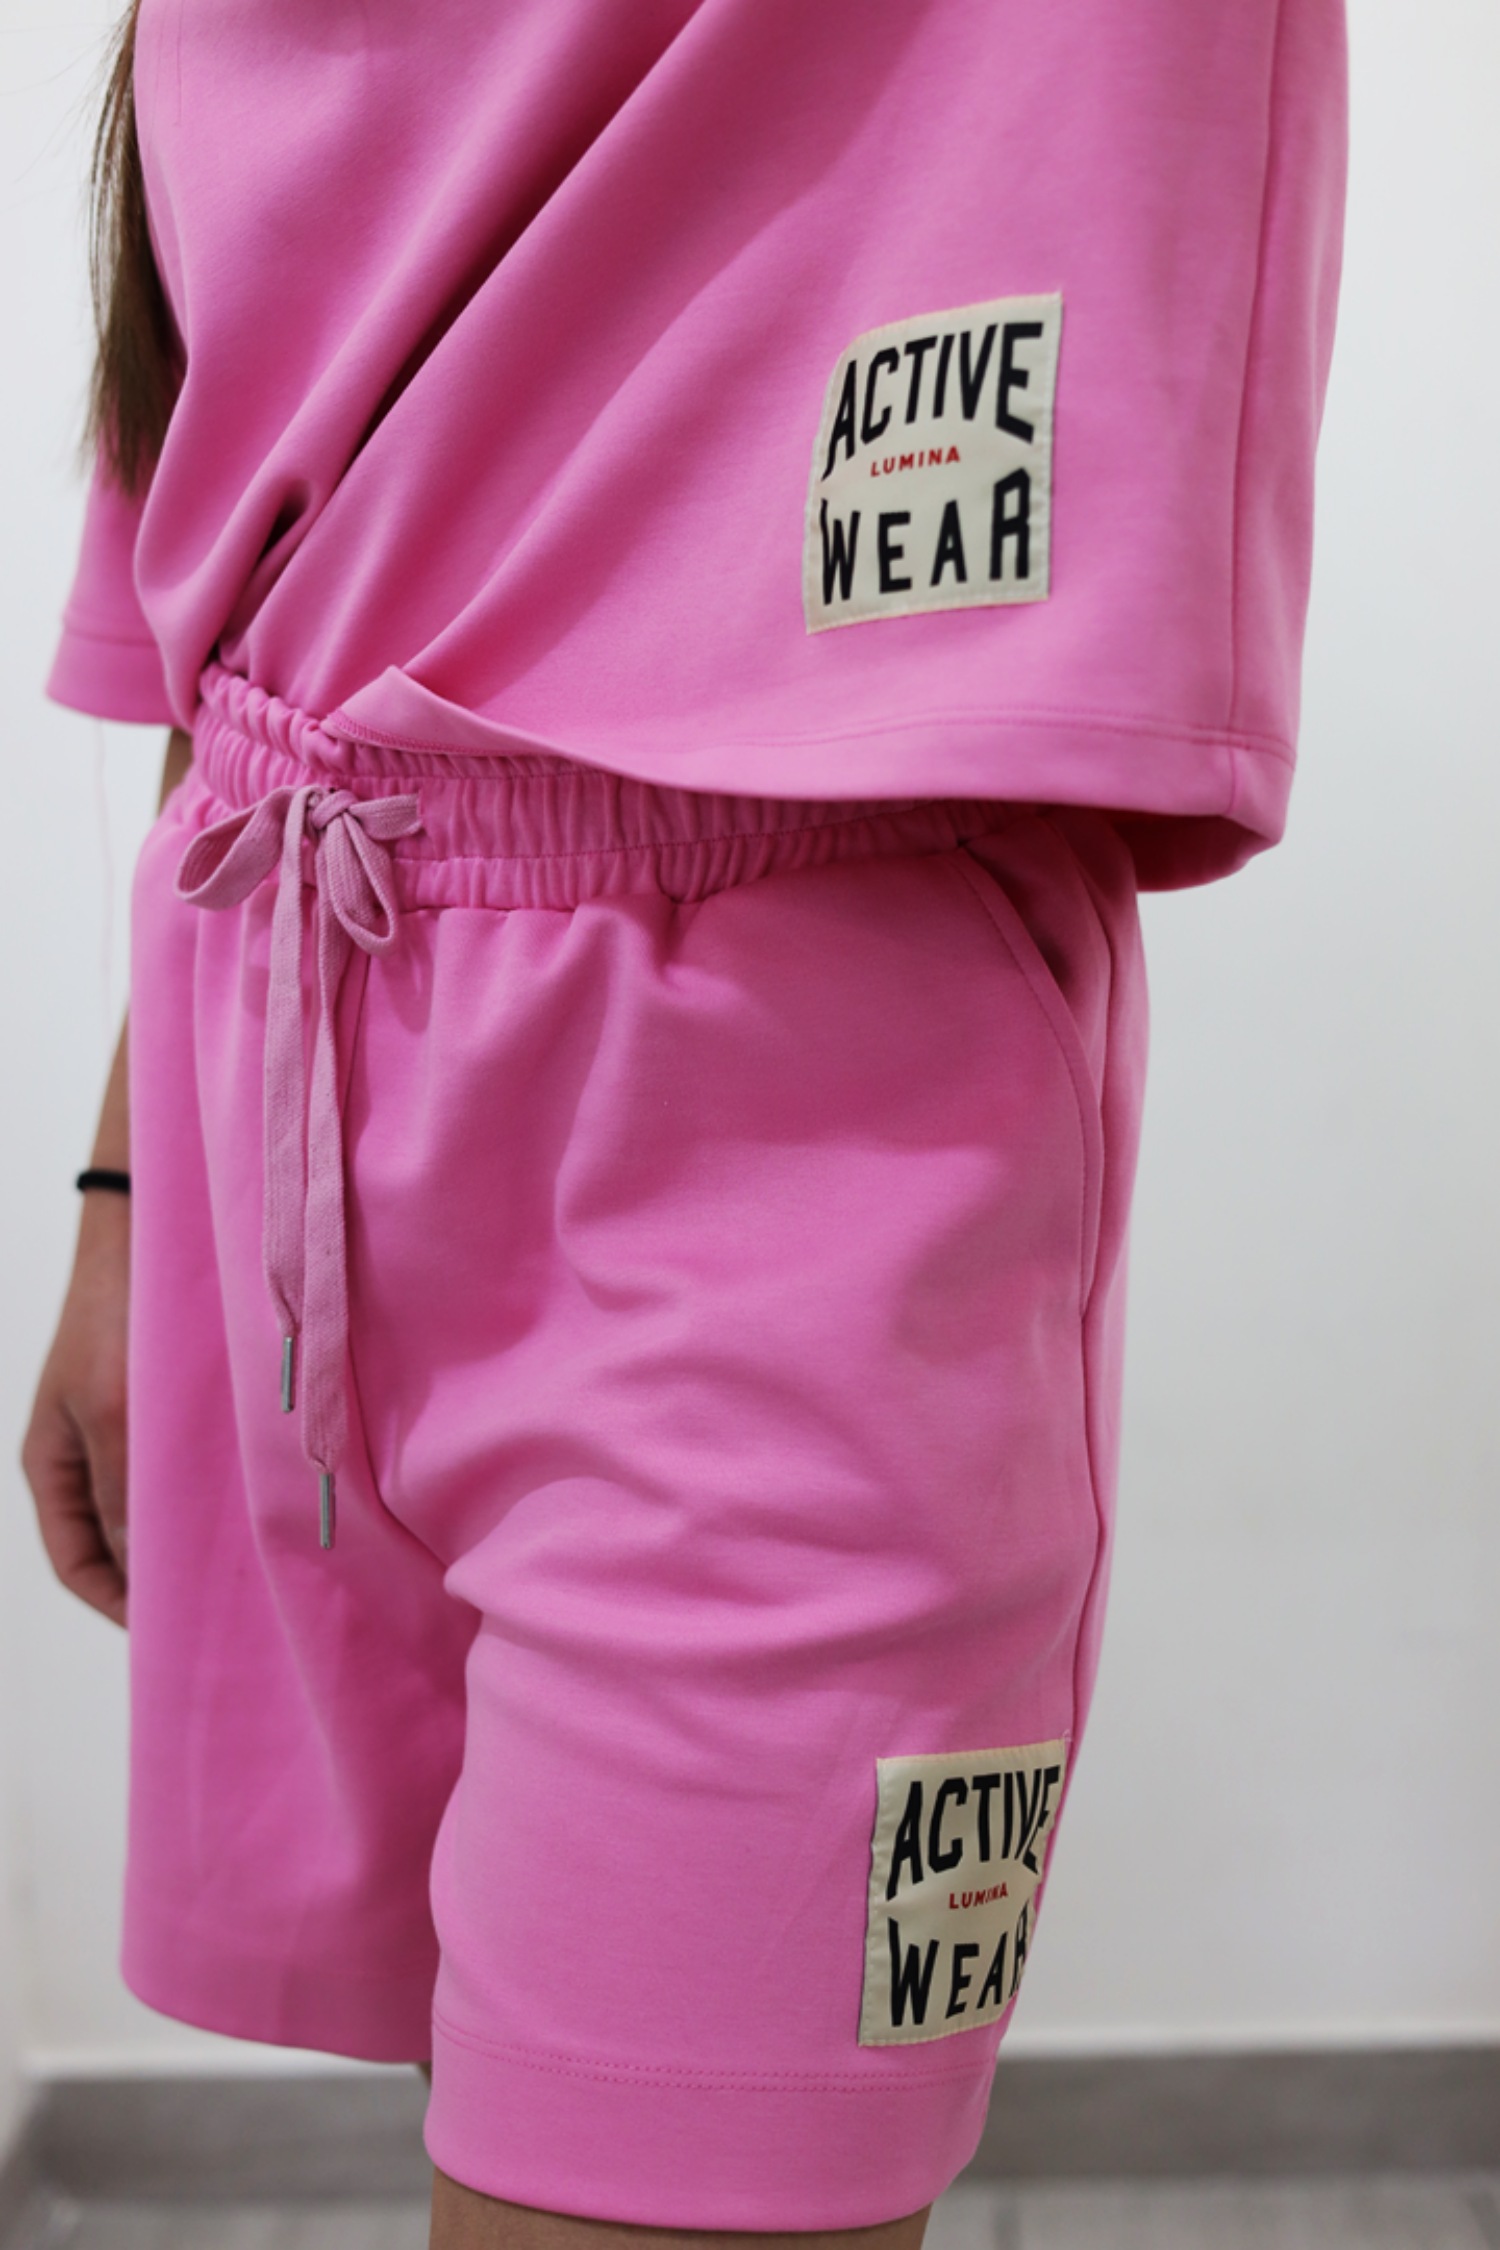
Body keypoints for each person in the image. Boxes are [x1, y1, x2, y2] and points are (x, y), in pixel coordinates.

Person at [21, 3, 1349, 2244]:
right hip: (278, 1024)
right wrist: (132, 1177)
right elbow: (252, 468)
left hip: (786, 1120)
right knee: (509, 2089)